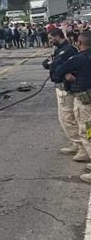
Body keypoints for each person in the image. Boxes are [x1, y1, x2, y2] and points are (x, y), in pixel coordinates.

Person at [55, 31, 91, 182]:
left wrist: (68, 75)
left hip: (86, 104)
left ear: (79, 43)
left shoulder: (78, 59)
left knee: (87, 133)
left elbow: (58, 70)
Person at [43, 29, 81, 157]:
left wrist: (51, 64)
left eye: (51, 38)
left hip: (66, 89)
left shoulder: (68, 49)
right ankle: (76, 144)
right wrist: (51, 63)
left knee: (69, 118)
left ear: (58, 36)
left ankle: (81, 146)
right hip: (60, 87)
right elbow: (51, 63)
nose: (50, 41)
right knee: (65, 118)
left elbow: (56, 66)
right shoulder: (60, 50)